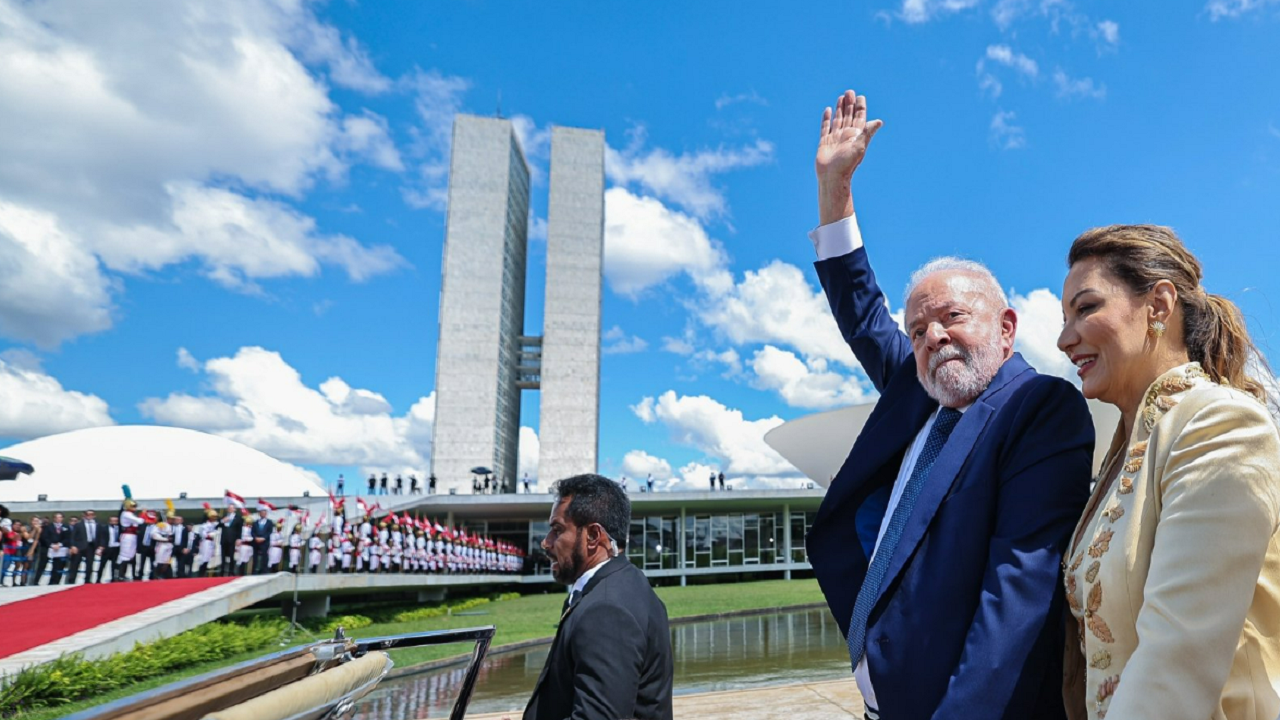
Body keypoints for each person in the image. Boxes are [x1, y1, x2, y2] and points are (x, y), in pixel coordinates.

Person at [803, 89, 1094, 719]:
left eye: (953, 316)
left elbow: (1013, 606)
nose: (933, 336)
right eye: (917, 328)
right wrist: (835, 187)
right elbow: (859, 309)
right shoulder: (920, 388)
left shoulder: (1037, 409)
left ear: (1008, 327)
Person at [1056, 225, 1280, 719]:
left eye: (1086, 308)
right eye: (1064, 317)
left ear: (1158, 306)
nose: (1063, 339)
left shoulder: (1221, 423)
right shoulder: (1125, 453)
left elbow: (1176, 662)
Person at [523, 474, 673, 720]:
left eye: (557, 530)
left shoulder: (605, 609)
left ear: (593, 536)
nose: (546, 543)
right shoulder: (627, 582)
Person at [67, 509, 102, 584]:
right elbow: (72, 536)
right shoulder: (78, 524)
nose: (90, 516)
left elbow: (100, 536)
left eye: (92, 514)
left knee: (89, 564)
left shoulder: (97, 524)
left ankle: (87, 580)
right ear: (85, 515)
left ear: (94, 516)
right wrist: (72, 546)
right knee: (75, 564)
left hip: (91, 546)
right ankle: (71, 580)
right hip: (78, 546)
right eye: (88, 514)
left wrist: (100, 546)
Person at [218, 504, 243, 576]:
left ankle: (231, 571)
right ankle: (222, 571)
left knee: (231, 555)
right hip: (224, 539)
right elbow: (217, 526)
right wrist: (222, 521)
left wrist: (239, 538)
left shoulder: (238, 518)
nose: (230, 509)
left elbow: (239, 529)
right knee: (223, 556)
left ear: (234, 509)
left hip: (232, 539)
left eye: (231, 508)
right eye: (228, 508)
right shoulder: (223, 517)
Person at [251, 505, 273, 574]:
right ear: (259, 513)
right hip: (256, 542)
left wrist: (263, 538)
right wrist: (255, 538)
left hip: (264, 542)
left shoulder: (269, 522)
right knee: (255, 557)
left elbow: (269, 531)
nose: (263, 514)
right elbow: (252, 532)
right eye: (261, 512)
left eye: (264, 513)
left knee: (264, 556)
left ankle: (264, 570)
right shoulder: (255, 522)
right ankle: (254, 570)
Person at [98, 515, 120, 582]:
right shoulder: (104, 528)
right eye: (112, 521)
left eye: (115, 521)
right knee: (102, 564)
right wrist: (101, 547)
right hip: (107, 548)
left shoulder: (120, 528)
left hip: (116, 549)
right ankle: (98, 579)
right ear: (109, 521)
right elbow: (102, 538)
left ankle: (114, 578)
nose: (113, 522)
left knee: (114, 565)